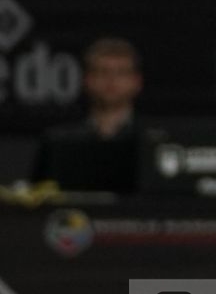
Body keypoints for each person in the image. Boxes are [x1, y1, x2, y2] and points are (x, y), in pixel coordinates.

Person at [34, 37, 143, 194]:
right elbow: (38, 196)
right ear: (87, 80)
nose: (111, 80)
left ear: (137, 81)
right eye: (102, 72)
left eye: (121, 72)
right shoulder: (59, 141)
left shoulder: (150, 141)